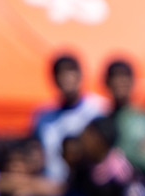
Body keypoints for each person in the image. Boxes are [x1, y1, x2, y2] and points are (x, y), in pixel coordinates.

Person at [33, 54, 105, 186]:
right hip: (52, 186)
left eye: (71, 71)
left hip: (89, 187)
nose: (66, 77)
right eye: (61, 72)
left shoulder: (98, 109)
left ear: (80, 75)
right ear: (54, 79)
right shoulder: (43, 116)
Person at [104, 59, 145, 182]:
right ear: (107, 82)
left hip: (144, 186)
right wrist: (137, 149)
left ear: (132, 81)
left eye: (124, 76)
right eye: (115, 76)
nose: (120, 81)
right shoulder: (102, 119)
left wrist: (122, 155)